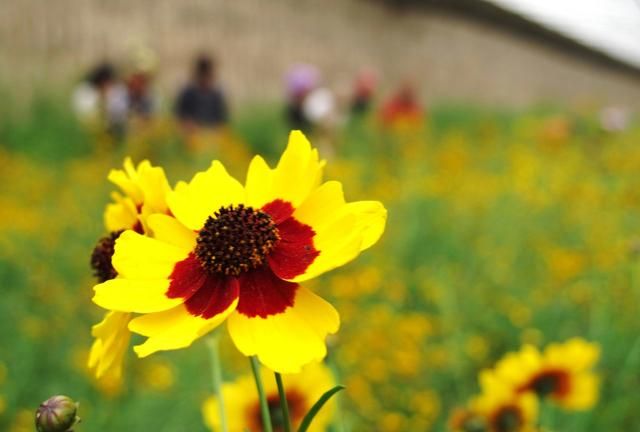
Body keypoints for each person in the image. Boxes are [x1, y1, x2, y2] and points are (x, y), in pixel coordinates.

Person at [175, 55, 229, 131]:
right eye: (203, 75)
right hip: (192, 135)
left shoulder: (216, 95)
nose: (205, 79)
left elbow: (222, 121)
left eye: (208, 75)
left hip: (213, 135)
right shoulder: (188, 93)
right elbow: (179, 117)